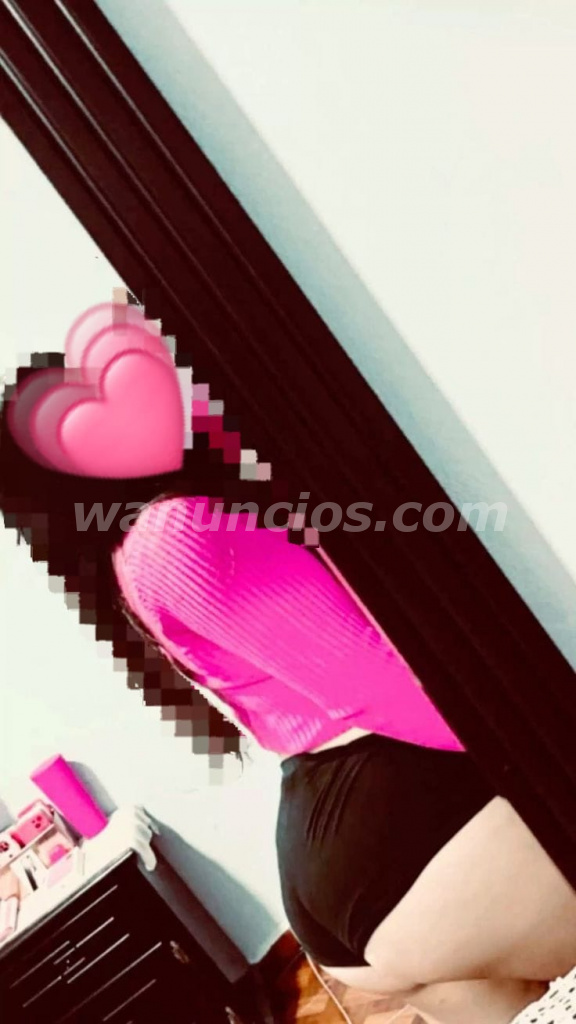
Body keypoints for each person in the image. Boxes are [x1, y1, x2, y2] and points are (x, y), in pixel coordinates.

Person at [1, 376, 575, 1024]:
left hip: (366, 859)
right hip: (393, 843)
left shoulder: (137, 556)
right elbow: (384, 682)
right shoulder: (170, 533)